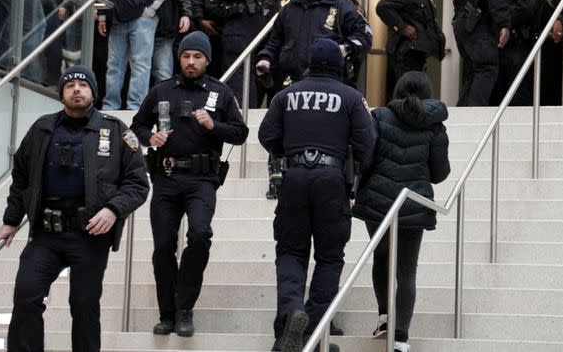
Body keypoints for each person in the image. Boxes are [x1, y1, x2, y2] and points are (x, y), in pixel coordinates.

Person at [0, 65, 149, 352]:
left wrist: (114, 209)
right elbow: (22, 177)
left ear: (93, 92)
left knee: (84, 305)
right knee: (26, 297)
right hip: (45, 235)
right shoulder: (42, 128)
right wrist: (11, 219)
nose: (76, 89)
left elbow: (138, 183)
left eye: (83, 85)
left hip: (89, 236)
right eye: (69, 85)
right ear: (61, 94)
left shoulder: (115, 130)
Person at [258, 38, 376, 352]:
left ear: (310, 63)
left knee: (291, 253)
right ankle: (312, 329)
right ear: (340, 66)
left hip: (294, 178)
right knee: (329, 258)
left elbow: (266, 134)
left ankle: (292, 311)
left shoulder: (285, 95)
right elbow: (368, 143)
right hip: (331, 180)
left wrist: (290, 151)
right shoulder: (351, 97)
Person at [130, 31, 248, 338]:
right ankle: (166, 314)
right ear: (179, 58)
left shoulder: (220, 93)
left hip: (202, 179)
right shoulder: (161, 91)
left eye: (197, 57)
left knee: (200, 235)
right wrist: (149, 138)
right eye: (186, 56)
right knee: (163, 246)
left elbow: (240, 133)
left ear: (207, 60)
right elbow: (135, 127)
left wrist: (213, 125)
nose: (191, 62)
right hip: (166, 178)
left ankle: (185, 307)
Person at [352, 71, 450, 352]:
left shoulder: (379, 117)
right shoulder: (435, 126)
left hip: (378, 201)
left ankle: (384, 317)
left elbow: (366, 160)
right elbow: (440, 173)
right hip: (413, 203)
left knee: (381, 258)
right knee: (407, 272)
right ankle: (401, 339)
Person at [256, 0, 372, 89]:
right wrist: (265, 59)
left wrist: (344, 48)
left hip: (328, 84)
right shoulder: (292, 5)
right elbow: (276, 40)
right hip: (293, 83)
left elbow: (365, 35)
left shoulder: (341, 5)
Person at [376, 0, 446, 101]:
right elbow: (383, 7)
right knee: (405, 90)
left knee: (414, 91)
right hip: (405, 50)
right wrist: (402, 27)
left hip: (417, 51)